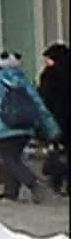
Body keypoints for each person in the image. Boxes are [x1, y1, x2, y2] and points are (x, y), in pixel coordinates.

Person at [0, 51, 62, 204]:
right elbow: (40, 107)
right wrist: (52, 128)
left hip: (3, 129)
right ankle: (10, 192)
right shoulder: (26, 83)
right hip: (25, 128)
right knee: (13, 158)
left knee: (9, 160)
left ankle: (34, 185)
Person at [41, 43, 70, 195]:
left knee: (56, 151)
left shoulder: (50, 75)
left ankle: (56, 182)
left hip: (56, 118)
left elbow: (46, 99)